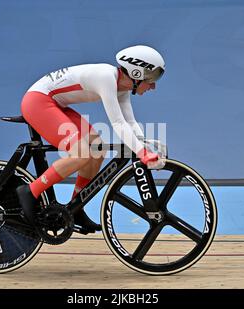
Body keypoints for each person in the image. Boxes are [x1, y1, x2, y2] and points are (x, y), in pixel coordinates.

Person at [16, 45, 165, 233]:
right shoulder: (106, 77)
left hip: (56, 103)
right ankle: (30, 191)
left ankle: (76, 207)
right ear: (136, 73)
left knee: (97, 149)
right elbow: (118, 124)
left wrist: (144, 144)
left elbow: (130, 121)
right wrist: (142, 152)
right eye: (152, 78)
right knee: (81, 154)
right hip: (38, 102)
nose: (153, 86)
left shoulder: (123, 89)